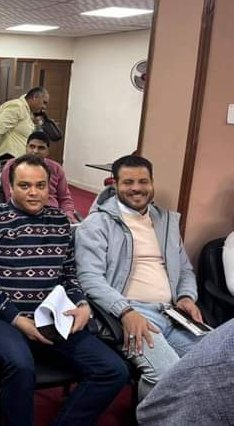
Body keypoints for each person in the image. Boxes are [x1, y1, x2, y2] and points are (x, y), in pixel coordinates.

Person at [0, 155, 128, 426]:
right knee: (21, 367)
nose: (34, 192)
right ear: (10, 187)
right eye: (24, 185)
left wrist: (82, 304)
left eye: (40, 185)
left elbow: (69, 273)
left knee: (113, 370)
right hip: (3, 316)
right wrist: (16, 318)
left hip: (50, 316)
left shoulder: (60, 221)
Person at [75, 155, 203, 399]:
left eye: (143, 181)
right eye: (128, 182)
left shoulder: (166, 222)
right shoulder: (97, 224)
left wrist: (186, 296)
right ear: (115, 185)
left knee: (218, 362)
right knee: (167, 375)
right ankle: (148, 415)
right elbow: (89, 278)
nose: (136, 188)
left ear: (152, 183)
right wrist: (125, 311)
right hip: (130, 313)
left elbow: (185, 269)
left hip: (173, 312)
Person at [137, 318, 234, 425]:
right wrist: (125, 311)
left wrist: (184, 303)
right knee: (165, 375)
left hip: (170, 314)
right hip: (138, 314)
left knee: (207, 358)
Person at [1, 131, 77, 223]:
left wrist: (68, 215)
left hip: (53, 215)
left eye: (41, 148)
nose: (35, 151)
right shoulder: (13, 166)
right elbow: (10, 196)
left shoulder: (56, 168)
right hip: (23, 214)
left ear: (48, 151)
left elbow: (65, 198)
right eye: (32, 146)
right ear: (26, 147)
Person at [0, 87, 49, 160]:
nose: (44, 107)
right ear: (35, 97)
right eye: (44, 102)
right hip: (6, 159)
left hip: (19, 160)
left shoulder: (28, 111)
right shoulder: (17, 107)